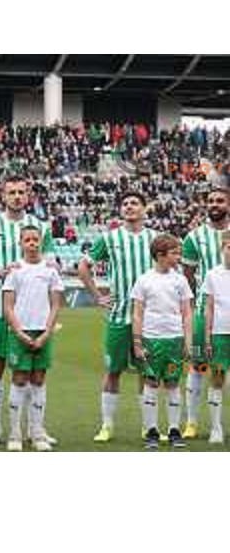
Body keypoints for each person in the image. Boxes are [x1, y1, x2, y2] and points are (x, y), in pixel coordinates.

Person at [0, 175, 56, 446]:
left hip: (34, 312)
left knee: (35, 371)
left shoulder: (40, 227)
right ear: (3, 195)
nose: (17, 196)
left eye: (22, 192)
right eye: (12, 192)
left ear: (28, 194)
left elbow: (52, 260)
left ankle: (37, 429)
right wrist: (2, 271)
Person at [78, 192, 159, 443]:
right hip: (119, 316)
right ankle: (107, 425)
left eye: (134, 203)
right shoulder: (110, 238)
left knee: (147, 372)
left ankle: (149, 426)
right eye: (125, 204)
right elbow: (83, 267)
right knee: (113, 370)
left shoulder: (155, 238)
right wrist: (97, 296)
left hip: (149, 318)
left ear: (145, 209)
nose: (129, 207)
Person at [2, 226, 64, 452]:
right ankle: (15, 433)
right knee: (19, 379)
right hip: (21, 332)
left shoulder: (50, 270)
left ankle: (37, 433)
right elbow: (8, 306)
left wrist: (47, 332)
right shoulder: (15, 271)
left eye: (35, 239)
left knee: (39, 380)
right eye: (27, 239)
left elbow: (56, 303)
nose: (31, 243)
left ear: (41, 242)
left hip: (43, 331)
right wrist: (19, 332)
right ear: (20, 243)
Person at [131, 234, 193, 449]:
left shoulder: (180, 280)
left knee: (173, 382)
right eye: (175, 253)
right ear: (160, 255)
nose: (179, 257)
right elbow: (137, 313)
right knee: (151, 382)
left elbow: (187, 313)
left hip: (174, 340)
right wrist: (137, 342)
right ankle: (152, 430)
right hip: (151, 340)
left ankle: (174, 429)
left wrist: (188, 340)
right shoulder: (144, 280)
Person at [181, 187, 230, 439]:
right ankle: (191, 421)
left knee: (222, 371)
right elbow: (187, 278)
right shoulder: (194, 237)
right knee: (197, 367)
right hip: (204, 313)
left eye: (220, 200)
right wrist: (188, 311)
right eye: (210, 200)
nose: (214, 204)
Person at [202, 230, 230, 444]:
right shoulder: (213, 274)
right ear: (223, 248)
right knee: (217, 379)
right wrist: (208, 337)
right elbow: (209, 308)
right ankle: (216, 429)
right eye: (229, 246)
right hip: (220, 334)